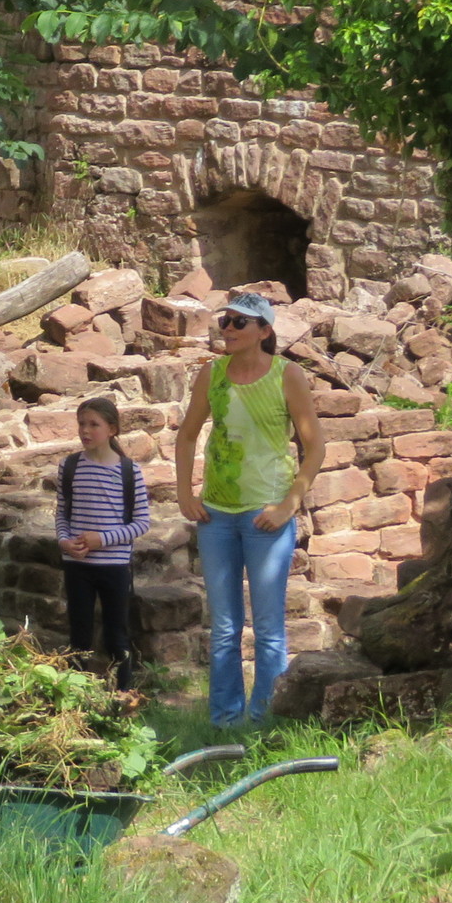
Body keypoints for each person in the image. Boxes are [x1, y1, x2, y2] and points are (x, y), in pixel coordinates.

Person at [173, 289, 324, 727]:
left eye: (240, 322)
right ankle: (224, 721)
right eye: (225, 320)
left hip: (266, 517)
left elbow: (315, 447)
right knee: (224, 627)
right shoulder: (211, 374)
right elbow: (186, 436)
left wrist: (289, 505)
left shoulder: (287, 375)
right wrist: (185, 495)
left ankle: (267, 719)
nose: (229, 328)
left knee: (269, 630)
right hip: (216, 516)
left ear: (264, 331)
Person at [56, 394, 150, 689]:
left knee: (116, 635)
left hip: (114, 566)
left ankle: (123, 695)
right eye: (81, 424)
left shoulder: (129, 471)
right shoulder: (69, 466)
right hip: (77, 565)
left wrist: (102, 539)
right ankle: (76, 696)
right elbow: (62, 513)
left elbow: (141, 523)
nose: (85, 430)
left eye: (93, 424)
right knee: (79, 635)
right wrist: (63, 541)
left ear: (112, 429)